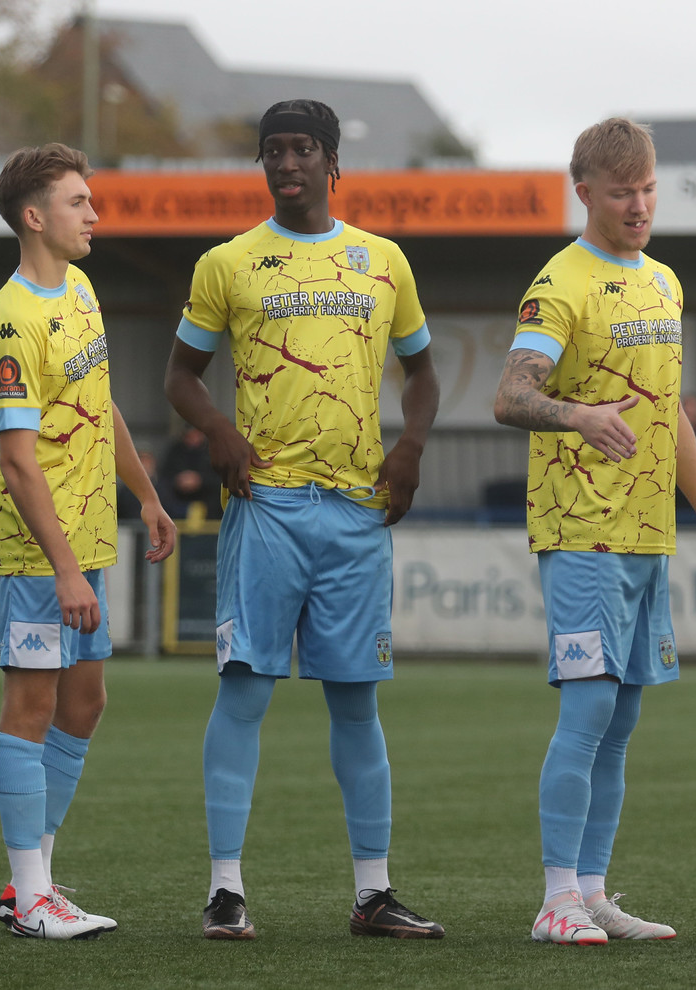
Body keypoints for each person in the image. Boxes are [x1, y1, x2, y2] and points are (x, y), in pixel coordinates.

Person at [164, 99, 443, 941]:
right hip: (268, 508)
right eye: (273, 151)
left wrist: (412, 449)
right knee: (243, 692)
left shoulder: (383, 261)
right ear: (261, 165)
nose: (287, 164)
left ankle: (373, 894)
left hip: (357, 514)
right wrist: (216, 429)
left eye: (302, 150)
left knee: (356, 706)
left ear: (331, 162)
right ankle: (224, 891)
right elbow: (182, 374)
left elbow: (422, 376)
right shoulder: (229, 263)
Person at [492, 117, 696, 946]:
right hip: (579, 529)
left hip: (646, 535)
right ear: (585, 194)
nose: (638, 206)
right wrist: (576, 414)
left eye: (646, 190)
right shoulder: (558, 282)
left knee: (622, 719)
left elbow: (669, 413)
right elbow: (509, 396)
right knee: (589, 708)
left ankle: (593, 892)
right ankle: (554, 898)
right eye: (620, 193)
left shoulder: (664, 283)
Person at [0, 143, 176, 939]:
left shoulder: (83, 290)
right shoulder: (11, 324)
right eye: (77, 202)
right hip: (37, 549)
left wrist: (148, 496)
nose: (95, 214)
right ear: (35, 217)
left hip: (92, 534)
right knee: (30, 703)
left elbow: (103, 406)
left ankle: (36, 882)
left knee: (86, 701)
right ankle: (29, 898)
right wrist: (64, 569)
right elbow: (19, 464)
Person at [159, 424, 222, 520]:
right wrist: (179, 480)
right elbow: (165, 474)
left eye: (196, 435)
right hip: (178, 500)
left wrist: (200, 480)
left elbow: (219, 477)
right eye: (190, 436)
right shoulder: (175, 450)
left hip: (208, 501)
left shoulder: (213, 450)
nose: (193, 439)